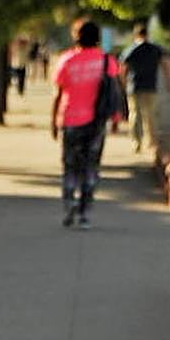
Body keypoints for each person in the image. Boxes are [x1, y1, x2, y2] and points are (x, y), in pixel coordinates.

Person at [51, 18, 120, 229]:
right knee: (91, 167)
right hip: (97, 123)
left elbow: (59, 92)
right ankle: (85, 214)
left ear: (76, 36)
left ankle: (69, 201)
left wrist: (53, 120)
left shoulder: (67, 60)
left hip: (71, 120)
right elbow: (113, 92)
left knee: (70, 165)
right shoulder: (107, 61)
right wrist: (115, 119)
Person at [120, 21, 170, 153]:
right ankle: (152, 142)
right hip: (150, 86)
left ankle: (136, 142)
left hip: (134, 86)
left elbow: (122, 69)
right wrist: (169, 83)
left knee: (134, 115)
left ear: (135, 34)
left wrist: (123, 84)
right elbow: (165, 66)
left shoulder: (130, 50)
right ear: (147, 34)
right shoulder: (156, 49)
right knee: (150, 115)